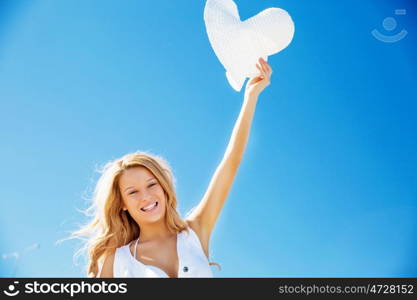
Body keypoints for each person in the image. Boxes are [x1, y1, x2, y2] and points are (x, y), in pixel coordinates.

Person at [72, 57, 273, 278]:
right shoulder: (116, 260)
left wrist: (251, 97)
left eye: (151, 184)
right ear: (122, 204)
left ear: (164, 187)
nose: (146, 196)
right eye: (133, 192)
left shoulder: (195, 231)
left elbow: (231, 162)